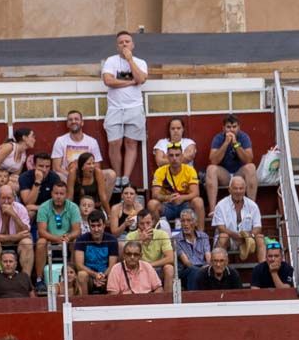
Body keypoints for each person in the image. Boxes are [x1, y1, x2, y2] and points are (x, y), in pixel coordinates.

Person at [101, 31, 148, 189]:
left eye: (127, 41)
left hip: (134, 108)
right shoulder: (111, 61)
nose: (124, 44)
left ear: (132, 45)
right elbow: (108, 80)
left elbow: (141, 79)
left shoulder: (140, 62)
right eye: (121, 42)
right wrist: (130, 82)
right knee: (115, 142)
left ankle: (125, 178)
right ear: (117, 46)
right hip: (115, 108)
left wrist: (129, 60)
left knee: (130, 142)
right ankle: (117, 175)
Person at [51, 111, 116, 192]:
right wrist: (72, 176)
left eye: (76, 119)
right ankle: (67, 204)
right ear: (67, 124)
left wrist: (86, 176)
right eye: (70, 120)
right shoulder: (60, 141)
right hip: (67, 176)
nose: (73, 121)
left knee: (111, 174)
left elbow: (97, 167)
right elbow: (56, 168)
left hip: (88, 176)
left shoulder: (92, 141)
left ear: (82, 123)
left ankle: (100, 203)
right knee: (57, 175)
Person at [204, 114, 257, 211]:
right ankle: (213, 211)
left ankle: (251, 209)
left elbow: (249, 159)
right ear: (223, 128)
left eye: (234, 127)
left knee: (251, 167)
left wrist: (236, 144)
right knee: (211, 169)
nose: (231, 130)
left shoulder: (244, 137)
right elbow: (213, 160)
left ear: (239, 127)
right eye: (228, 127)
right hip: (225, 175)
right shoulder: (218, 138)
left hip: (239, 174)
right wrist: (226, 143)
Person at [36, 181, 82, 287]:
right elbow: (41, 231)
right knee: (40, 242)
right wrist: (57, 239)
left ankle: (74, 277)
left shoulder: (73, 207)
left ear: (66, 195)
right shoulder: (44, 207)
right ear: (51, 193)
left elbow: (77, 230)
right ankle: (39, 279)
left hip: (67, 239)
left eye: (61, 194)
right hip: (49, 239)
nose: (58, 197)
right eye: (56, 193)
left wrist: (68, 237)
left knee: (76, 241)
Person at [211, 176, 265, 263]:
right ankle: (221, 268)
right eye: (235, 188)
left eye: (241, 188)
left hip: (247, 238)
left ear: (245, 189)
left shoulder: (252, 205)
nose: (238, 191)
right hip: (229, 239)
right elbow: (221, 228)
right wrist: (236, 236)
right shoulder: (221, 205)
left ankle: (263, 269)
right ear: (229, 189)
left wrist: (249, 235)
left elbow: (258, 227)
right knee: (223, 236)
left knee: (260, 238)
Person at [0, 184, 34, 276]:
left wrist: (14, 215)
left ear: (14, 198)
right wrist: (14, 237)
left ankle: (26, 280)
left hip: (16, 243)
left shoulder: (20, 208)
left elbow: (26, 231)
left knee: (27, 242)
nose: (6, 201)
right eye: (3, 198)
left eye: (9, 198)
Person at [151, 143, 204, 225]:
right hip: (167, 205)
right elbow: (155, 194)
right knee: (152, 204)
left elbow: (196, 193)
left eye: (177, 155)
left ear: (182, 156)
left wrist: (182, 198)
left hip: (185, 205)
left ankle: (201, 235)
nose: (174, 158)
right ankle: (159, 232)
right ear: (167, 157)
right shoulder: (160, 171)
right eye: (171, 155)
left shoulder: (190, 170)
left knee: (198, 201)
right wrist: (167, 198)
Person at [124, 210, 175, 288]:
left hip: (157, 268)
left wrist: (150, 265)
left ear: (153, 222)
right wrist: (140, 241)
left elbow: (170, 258)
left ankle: (167, 298)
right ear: (137, 224)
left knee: (169, 268)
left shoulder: (162, 234)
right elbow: (127, 258)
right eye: (141, 224)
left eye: (148, 223)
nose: (145, 227)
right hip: (138, 268)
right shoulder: (130, 236)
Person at [0, 128, 36, 195]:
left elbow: (15, 175)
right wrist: (8, 177)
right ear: (24, 138)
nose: (35, 140)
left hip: (4, 179)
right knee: (14, 187)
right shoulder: (9, 147)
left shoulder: (23, 155)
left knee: (22, 186)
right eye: (33, 136)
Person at [74, 210, 119, 296]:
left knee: (114, 274)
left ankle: (111, 304)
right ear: (89, 226)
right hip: (89, 276)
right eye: (93, 226)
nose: (96, 229)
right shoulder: (81, 239)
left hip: (105, 276)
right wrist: (95, 275)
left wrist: (102, 276)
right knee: (81, 274)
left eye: (99, 225)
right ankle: (84, 304)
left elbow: (112, 265)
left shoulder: (112, 240)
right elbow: (79, 265)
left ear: (104, 225)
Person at [171, 207, 211, 290]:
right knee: (194, 271)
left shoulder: (203, 236)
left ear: (195, 223)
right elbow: (187, 263)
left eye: (189, 220)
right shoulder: (175, 239)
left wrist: (208, 266)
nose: (185, 224)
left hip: (203, 268)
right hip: (186, 271)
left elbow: (208, 257)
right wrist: (201, 271)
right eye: (183, 221)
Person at [18, 153, 61, 221]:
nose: (44, 170)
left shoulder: (55, 178)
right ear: (34, 166)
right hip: (30, 210)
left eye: (47, 166)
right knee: (30, 214)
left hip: (48, 209)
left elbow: (58, 201)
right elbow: (28, 202)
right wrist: (37, 181)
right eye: (41, 166)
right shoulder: (25, 177)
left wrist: (37, 207)